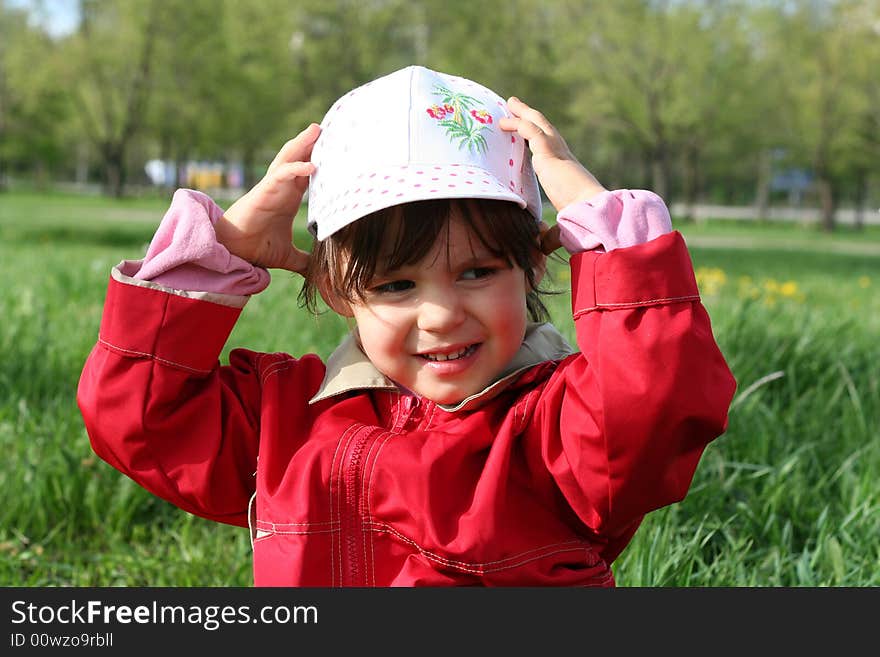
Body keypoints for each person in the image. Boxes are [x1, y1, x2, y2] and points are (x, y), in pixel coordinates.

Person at [77, 65, 736, 586]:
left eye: (477, 272)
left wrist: (611, 235)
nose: (442, 313)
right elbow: (138, 417)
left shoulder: (558, 427)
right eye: (396, 284)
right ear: (337, 290)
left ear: (533, 267)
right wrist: (215, 255)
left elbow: (657, 404)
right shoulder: (284, 417)